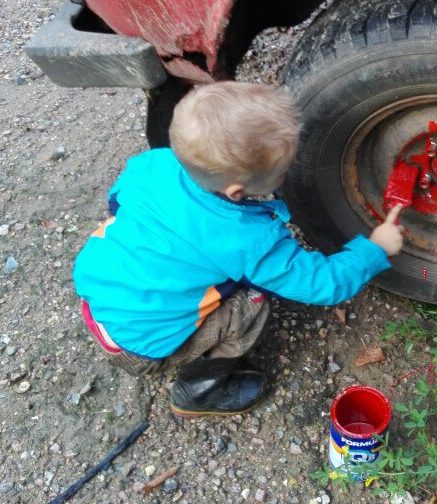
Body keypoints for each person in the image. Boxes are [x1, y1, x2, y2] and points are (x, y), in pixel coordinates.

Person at [73, 81, 405, 418]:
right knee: (254, 303)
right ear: (236, 191)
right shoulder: (248, 239)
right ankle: (199, 389)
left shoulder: (152, 164)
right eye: (282, 172)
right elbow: (323, 284)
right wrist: (375, 249)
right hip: (141, 346)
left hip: (98, 297)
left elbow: (116, 203)